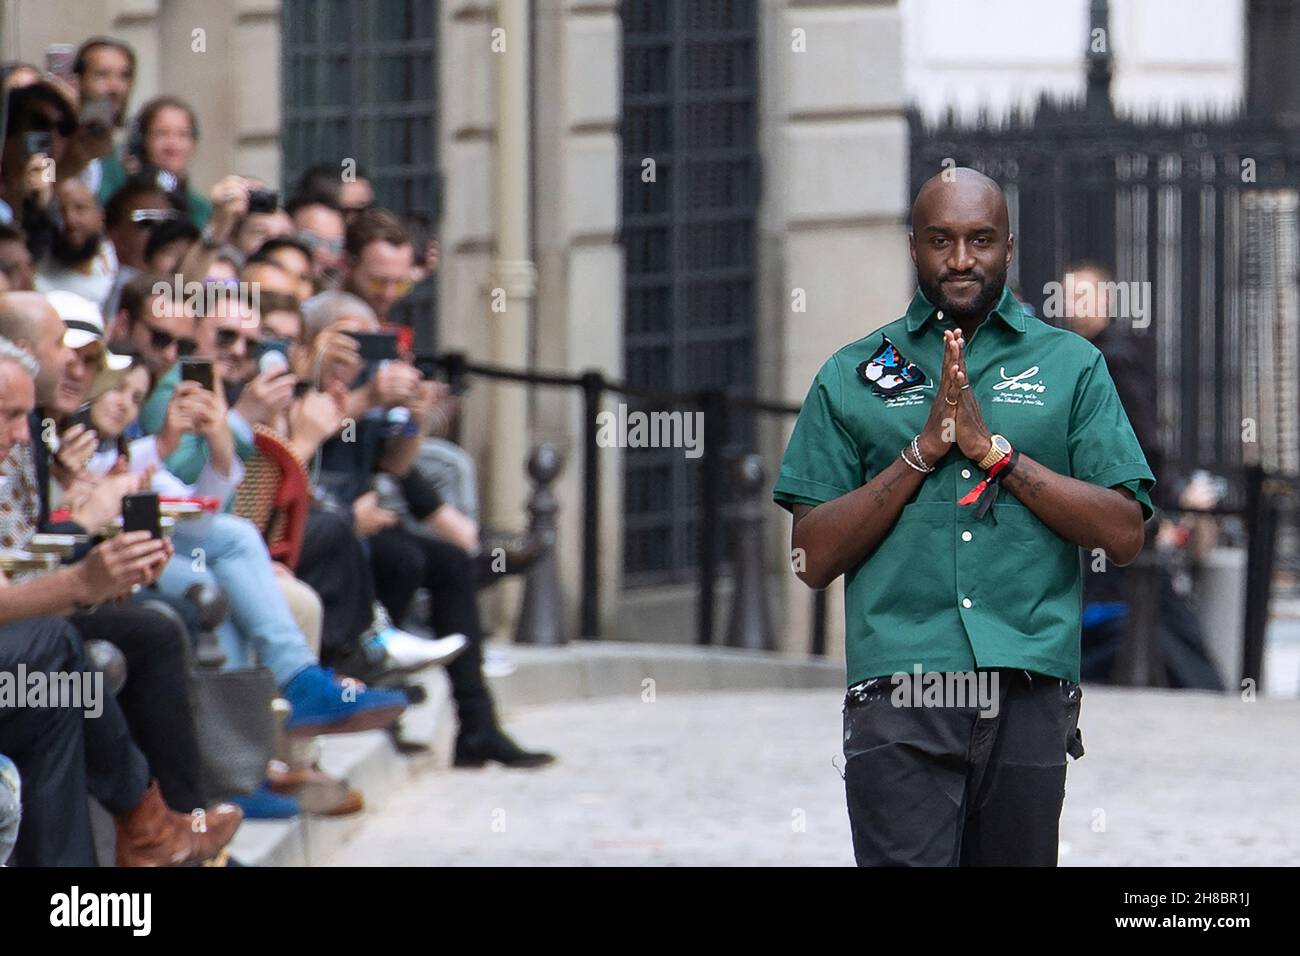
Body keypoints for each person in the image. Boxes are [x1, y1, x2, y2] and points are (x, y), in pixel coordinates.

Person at [774, 168, 1155, 867]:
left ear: (1009, 247)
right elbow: (812, 558)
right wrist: (921, 454)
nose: (959, 259)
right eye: (940, 240)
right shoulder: (850, 373)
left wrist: (995, 456)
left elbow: (1123, 532)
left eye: (980, 240)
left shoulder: (1072, 366)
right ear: (912, 246)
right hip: (901, 691)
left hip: (1029, 687)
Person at [0, 331, 242, 865]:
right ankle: (149, 827)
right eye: (7, 415)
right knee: (58, 651)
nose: (20, 433)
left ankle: (166, 830)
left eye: (25, 414)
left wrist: (100, 577)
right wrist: (82, 576)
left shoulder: (35, 444)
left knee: (97, 663)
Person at [35, 178, 119, 308]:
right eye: (60, 211)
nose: (70, 220)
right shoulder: (36, 281)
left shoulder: (112, 255)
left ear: (100, 216)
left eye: (80, 208)